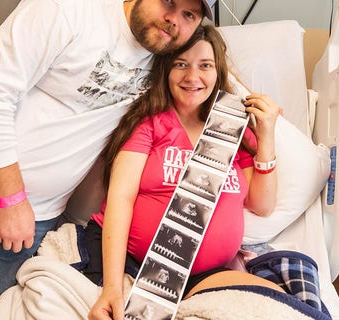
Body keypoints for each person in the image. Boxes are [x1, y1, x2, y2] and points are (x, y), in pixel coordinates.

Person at [0, 0, 214, 319]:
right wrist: (11, 200)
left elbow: (212, 78)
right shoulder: (66, 10)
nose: (174, 19)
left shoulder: (164, 62)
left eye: (190, 15)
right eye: (168, 1)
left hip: (36, 216)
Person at [85, 24, 284, 320]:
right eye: (181, 65)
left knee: (283, 307)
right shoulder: (150, 123)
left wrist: (266, 134)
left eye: (205, 66)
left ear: (217, 71)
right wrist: (112, 288)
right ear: (166, 69)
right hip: (133, 263)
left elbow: (262, 205)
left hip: (206, 276)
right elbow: (120, 199)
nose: (193, 77)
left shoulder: (233, 128)